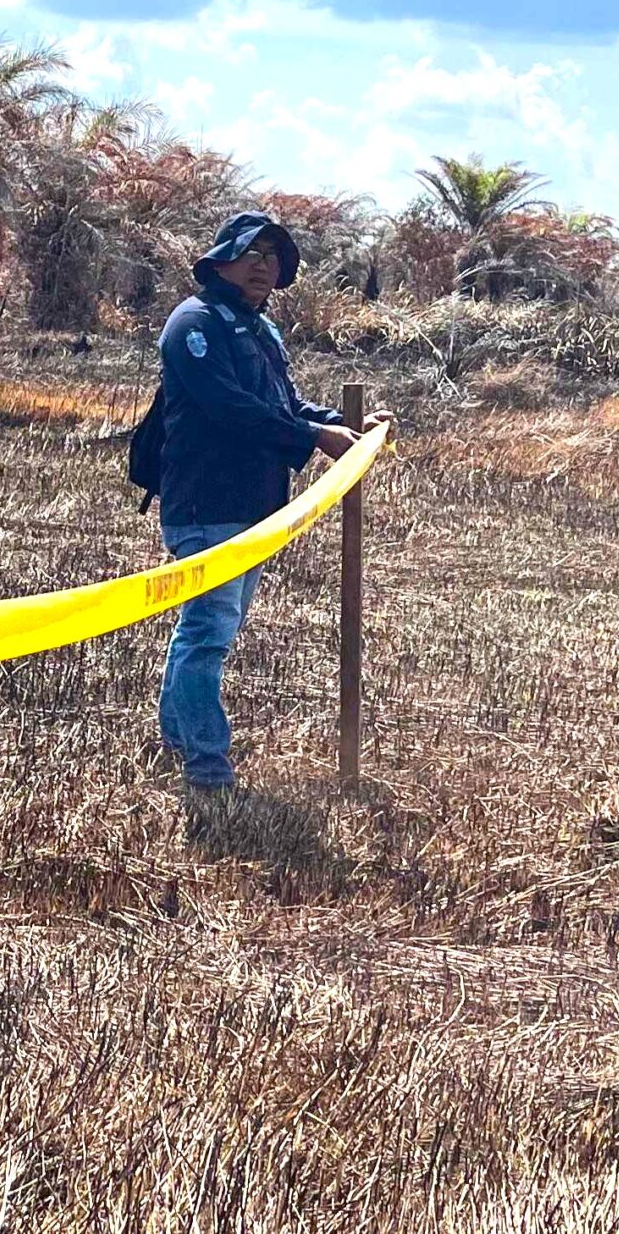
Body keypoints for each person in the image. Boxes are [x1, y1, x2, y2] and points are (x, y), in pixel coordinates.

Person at [152, 212, 389, 801]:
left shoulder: (262, 332)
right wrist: (314, 439)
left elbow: (284, 402)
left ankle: (178, 741)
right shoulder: (195, 323)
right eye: (252, 252)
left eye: (273, 256)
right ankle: (207, 770)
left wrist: (346, 425)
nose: (264, 264)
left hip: (255, 507)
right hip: (207, 504)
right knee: (207, 634)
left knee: (205, 632)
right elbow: (229, 407)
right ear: (220, 259)